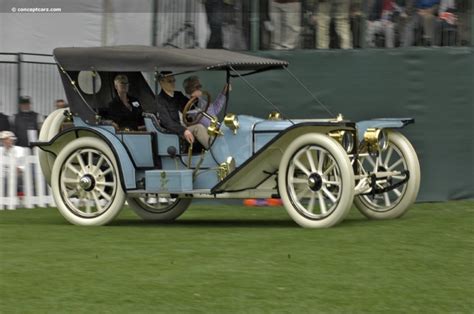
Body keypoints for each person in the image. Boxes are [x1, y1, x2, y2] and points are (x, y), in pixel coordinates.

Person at [155, 72, 211, 149]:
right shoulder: (160, 100)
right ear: (161, 83)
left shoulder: (178, 95)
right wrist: (184, 130)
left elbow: (191, 108)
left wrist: (195, 97)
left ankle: (220, 149)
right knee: (199, 127)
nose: (173, 83)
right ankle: (213, 150)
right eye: (169, 81)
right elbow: (167, 122)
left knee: (211, 128)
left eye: (174, 80)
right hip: (175, 132)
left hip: (186, 126)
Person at [0, 131, 25, 196]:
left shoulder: (20, 150)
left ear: (13, 140)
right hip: (2, 174)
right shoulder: (0, 150)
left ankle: (19, 195)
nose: (5, 141)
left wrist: (18, 169)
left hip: (15, 174)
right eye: (3, 140)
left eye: (7, 139)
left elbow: (21, 168)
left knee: (16, 178)